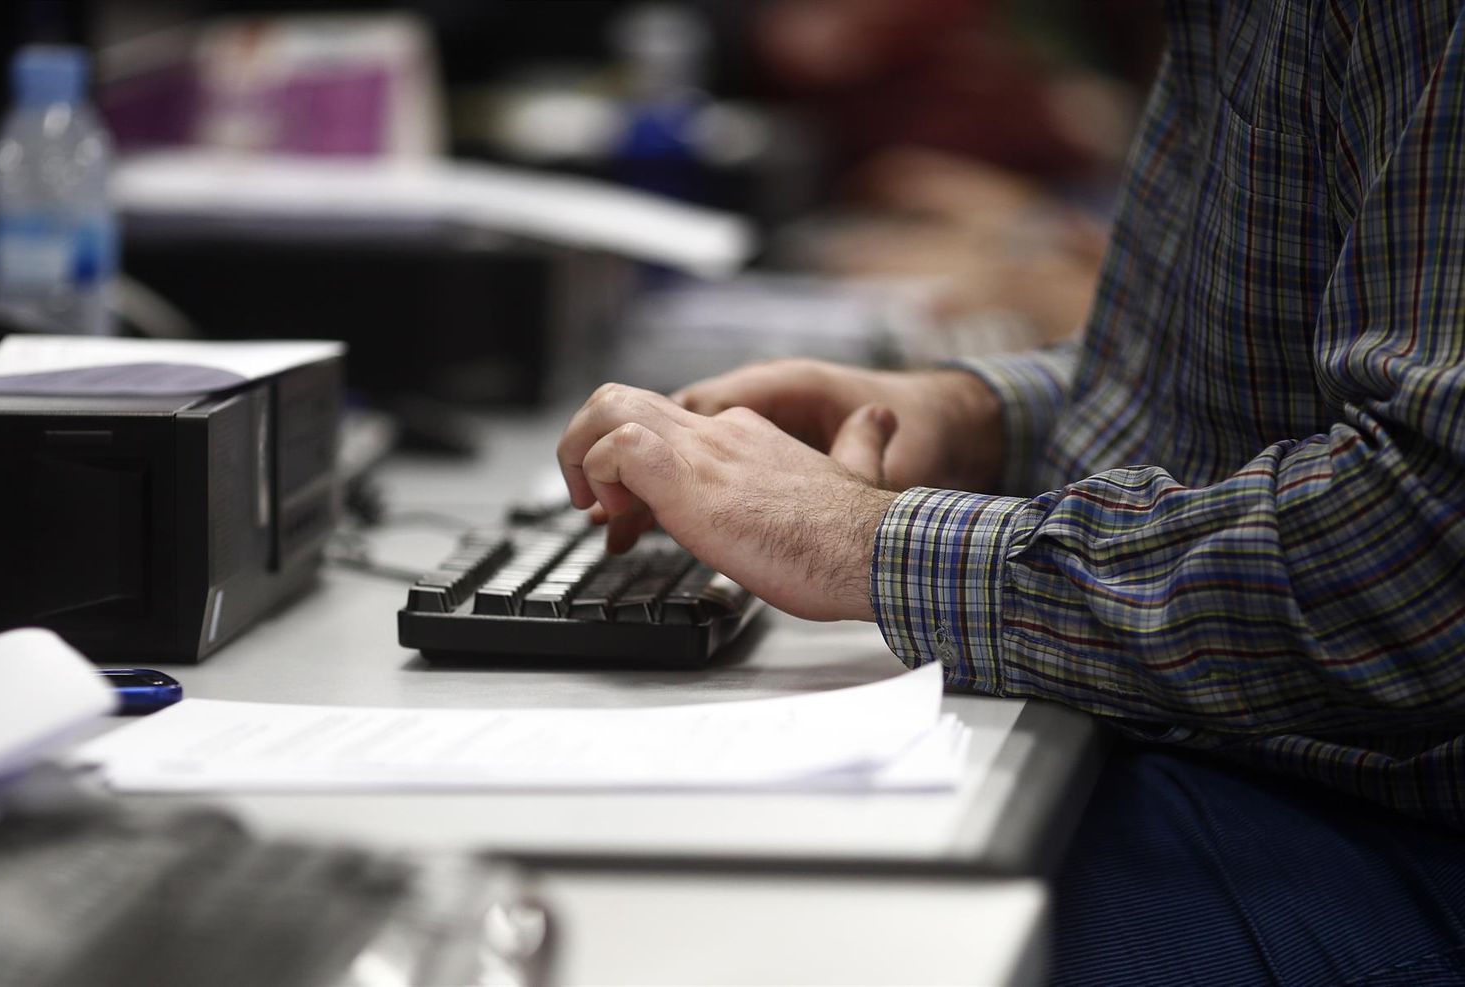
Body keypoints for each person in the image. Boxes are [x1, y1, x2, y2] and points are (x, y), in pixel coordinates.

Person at [558, 1, 1465, 983]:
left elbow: (1423, 552)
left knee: (756, 940)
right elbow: (1224, 393)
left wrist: (864, 539)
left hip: (1401, 837)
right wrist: (970, 419)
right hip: (1272, 765)